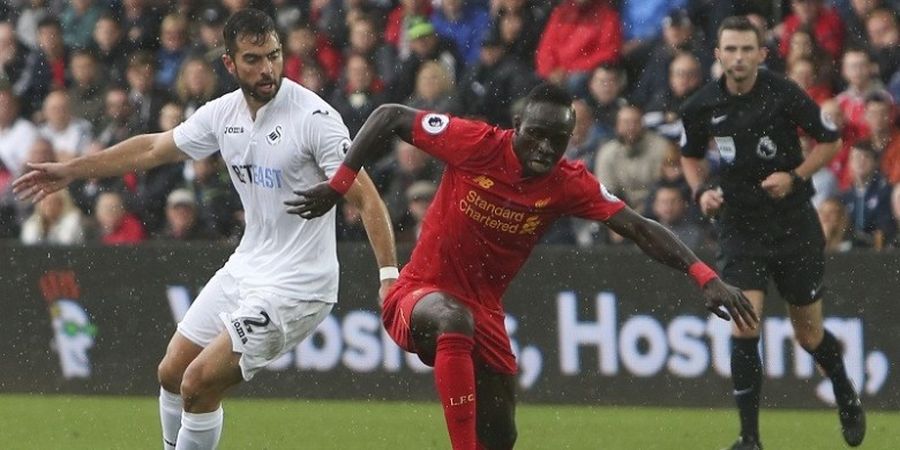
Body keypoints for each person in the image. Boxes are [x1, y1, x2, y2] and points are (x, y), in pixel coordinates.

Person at [287, 82, 759, 450]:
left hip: (485, 314)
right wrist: (338, 183)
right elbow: (388, 115)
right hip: (417, 295)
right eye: (536, 135)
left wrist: (705, 276)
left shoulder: (569, 182)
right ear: (517, 126)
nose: (544, 149)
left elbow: (638, 227)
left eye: (558, 140)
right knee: (453, 318)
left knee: (503, 436)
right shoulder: (475, 143)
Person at [13, 9, 397, 450]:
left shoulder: (314, 118)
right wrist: (72, 170)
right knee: (172, 374)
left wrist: (388, 278)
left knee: (198, 383)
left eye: (273, 55)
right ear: (230, 64)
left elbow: (367, 197)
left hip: (298, 285)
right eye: (253, 59)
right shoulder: (222, 114)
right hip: (247, 267)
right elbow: (154, 148)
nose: (267, 68)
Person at [678, 16, 865, 450]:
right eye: (731, 49)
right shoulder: (700, 105)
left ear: (762, 54)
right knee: (745, 326)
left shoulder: (784, 93)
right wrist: (702, 190)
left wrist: (796, 177)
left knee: (808, 335)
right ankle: (749, 439)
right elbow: (689, 155)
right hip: (739, 228)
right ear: (718, 54)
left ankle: (843, 389)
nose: (739, 58)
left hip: (793, 225)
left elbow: (830, 141)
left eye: (748, 50)